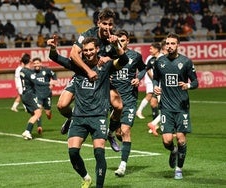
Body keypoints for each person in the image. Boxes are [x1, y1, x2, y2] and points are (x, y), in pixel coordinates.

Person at [48, 35, 129, 188]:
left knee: (99, 153)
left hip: (98, 117)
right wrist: (52, 48)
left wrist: (117, 46)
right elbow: (56, 58)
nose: (88, 53)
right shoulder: (77, 66)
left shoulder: (105, 66)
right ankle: (86, 177)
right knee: (73, 153)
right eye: (85, 50)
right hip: (79, 117)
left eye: (91, 49)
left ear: (97, 49)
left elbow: (123, 61)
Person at [59, 8, 122, 152]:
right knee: (62, 106)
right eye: (104, 23)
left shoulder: (114, 38)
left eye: (110, 24)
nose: (107, 27)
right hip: (82, 75)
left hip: (102, 79)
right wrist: (87, 71)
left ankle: (110, 132)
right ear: (98, 23)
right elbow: (73, 54)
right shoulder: (87, 34)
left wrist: (111, 56)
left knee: (118, 106)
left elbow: (122, 59)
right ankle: (72, 118)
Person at [152, 33, 198, 179]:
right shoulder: (160, 62)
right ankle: (173, 151)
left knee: (181, 139)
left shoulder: (186, 62)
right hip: (166, 106)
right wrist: (155, 87)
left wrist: (188, 85)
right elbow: (155, 78)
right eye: (168, 43)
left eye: (173, 43)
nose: (170, 46)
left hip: (182, 107)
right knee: (167, 140)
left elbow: (196, 82)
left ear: (178, 45)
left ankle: (179, 168)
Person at [110, 30, 146, 177]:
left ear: (128, 41)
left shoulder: (135, 56)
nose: (120, 43)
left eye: (123, 40)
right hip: (113, 98)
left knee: (125, 132)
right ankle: (111, 132)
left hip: (130, 99)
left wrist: (139, 78)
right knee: (119, 133)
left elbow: (143, 69)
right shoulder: (109, 55)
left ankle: (123, 166)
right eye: (118, 40)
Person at [31, 57, 57, 134]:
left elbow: (54, 75)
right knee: (38, 111)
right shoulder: (31, 73)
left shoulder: (46, 70)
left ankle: (49, 113)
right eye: (35, 63)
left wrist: (52, 83)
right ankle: (39, 126)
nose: (36, 65)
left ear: (41, 63)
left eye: (37, 63)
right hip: (37, 95)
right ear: (33, 64)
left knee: (48, 113)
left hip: (47, 94)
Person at [136, 42, 161, 120]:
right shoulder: (151, 59)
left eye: (151, 48)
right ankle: (155, 124)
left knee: (162, 105)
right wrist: (138, 78)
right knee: (153, 103)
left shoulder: (163, 58)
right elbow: (145, 69)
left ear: (157, 49)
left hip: (163, 85)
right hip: (155, 83)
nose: (149, 50)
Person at [20, 53, 42, 140]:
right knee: (38, 113)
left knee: (33, 114)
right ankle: (27, 131)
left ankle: (28, 132)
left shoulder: (22, 70)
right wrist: (49, 83)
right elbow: (37, 82)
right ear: (30, 61)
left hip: (24, 94)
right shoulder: (28, 72)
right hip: (29, 95)